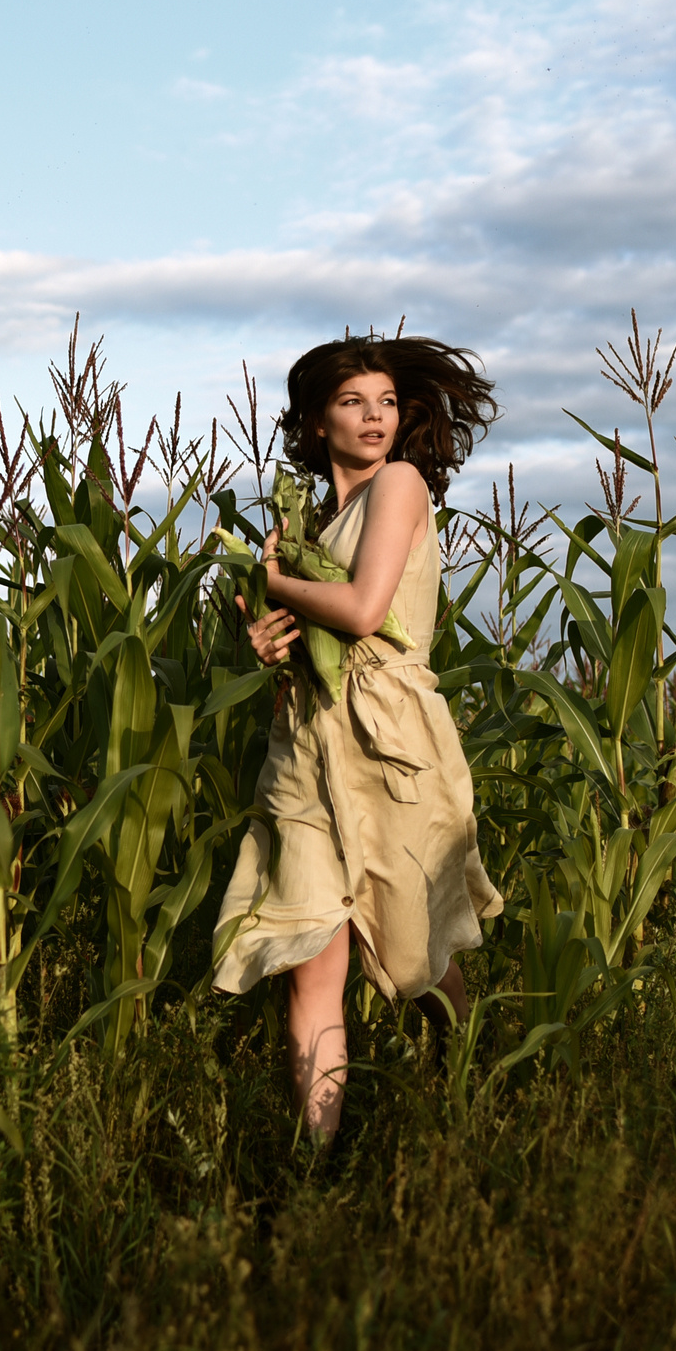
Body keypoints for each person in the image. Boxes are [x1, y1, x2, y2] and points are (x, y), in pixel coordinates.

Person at [215, 336, 507, 1147]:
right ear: (315, 422)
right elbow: (306, 632)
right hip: (307, 744)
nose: (375, 417)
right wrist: (270, 640)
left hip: (390, 743)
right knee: (312, 955)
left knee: (414, 960)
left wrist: (267, 580)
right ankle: (317, 1164)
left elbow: (365, 609)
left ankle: (474, 1084)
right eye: (352, 402)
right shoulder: (315, 521)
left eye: (384, 401)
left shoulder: (402, 486)